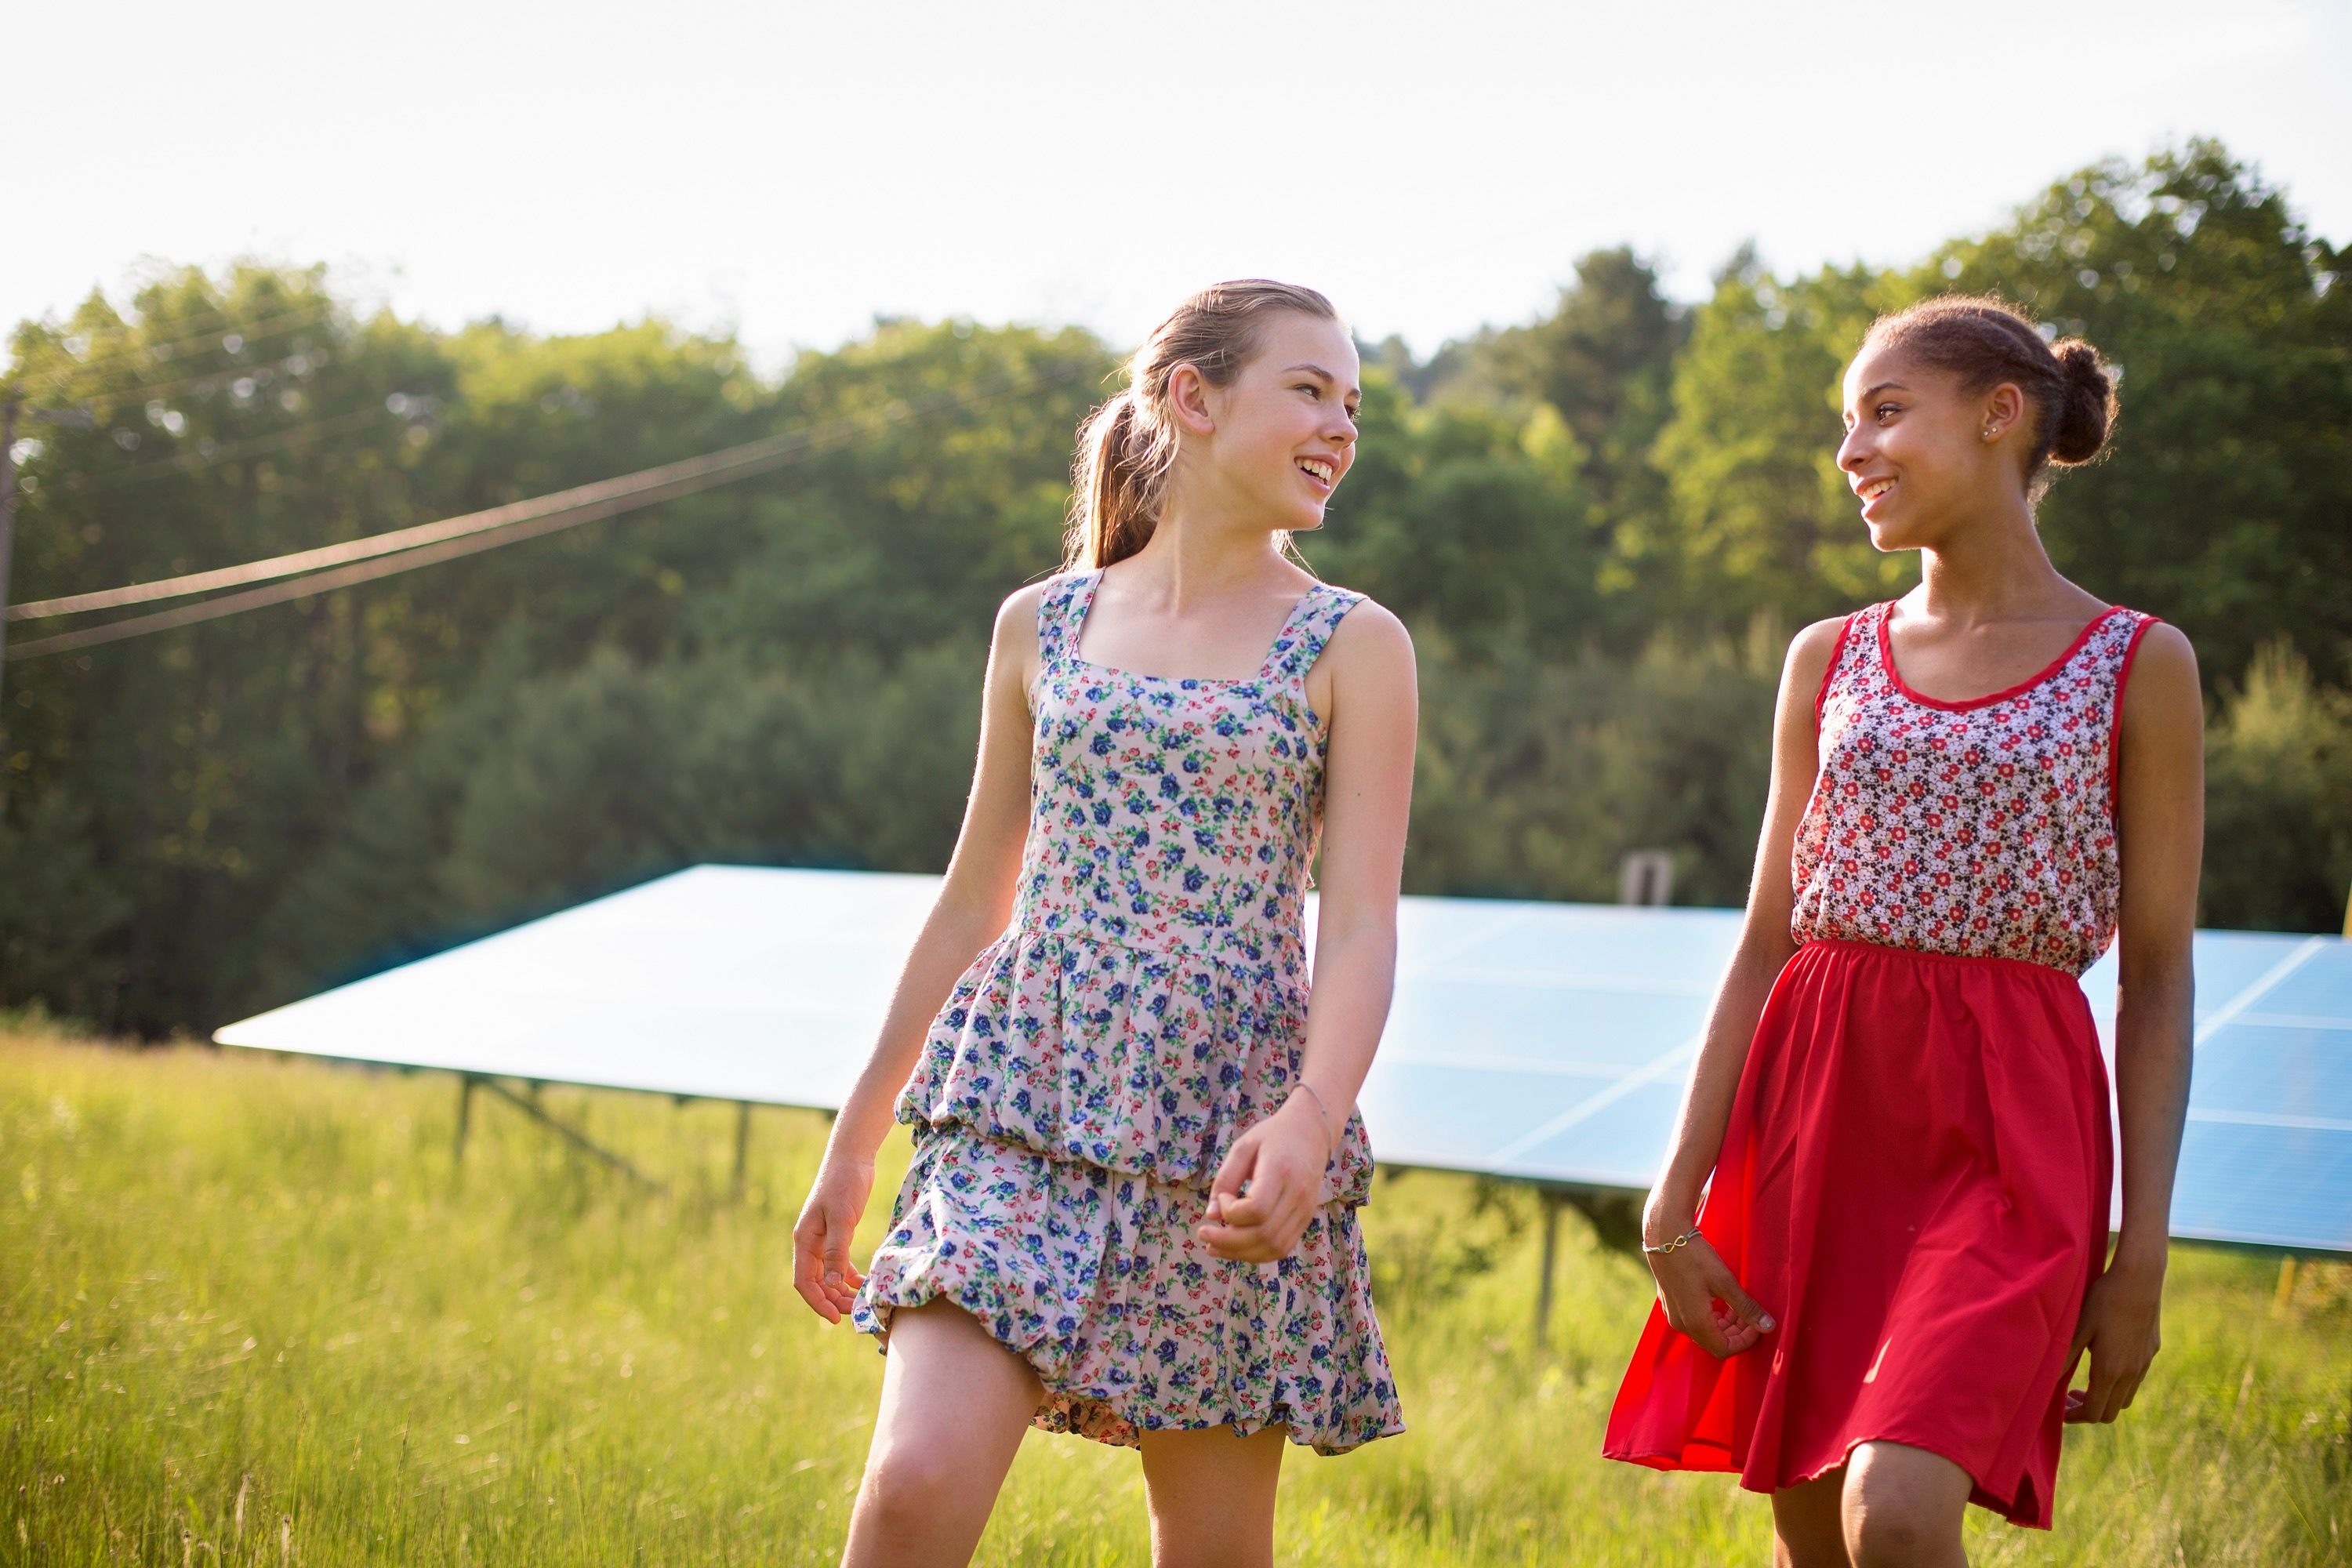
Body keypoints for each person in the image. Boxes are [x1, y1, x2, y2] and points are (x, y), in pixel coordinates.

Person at [791, 280, 1417, 1568]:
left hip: (1225, 1124)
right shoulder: (1044, 624)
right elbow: (976, 896)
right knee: (911, 1487)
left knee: (1212, 1553)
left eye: (1351, 403)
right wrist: (856, 1143)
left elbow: (1358, 927)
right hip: (1022, 1093)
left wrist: (1309, 1120)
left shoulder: (1354, 642)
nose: (1341, 428)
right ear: (1191, 398)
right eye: (1309, 390)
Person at [1603, 295, 2202, 1566]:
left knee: (1900, 1507)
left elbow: (2156, 980)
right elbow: (1767, 937)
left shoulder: (2140, 663)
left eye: (1885, 412)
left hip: (2011, 1127)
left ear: (2001, 418)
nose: (1851, 452)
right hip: (1818, 1102)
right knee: (1816, 1531)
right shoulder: (1830, 657)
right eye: (1846, 422)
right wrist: (1677, 1190)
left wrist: (2140, 1252)